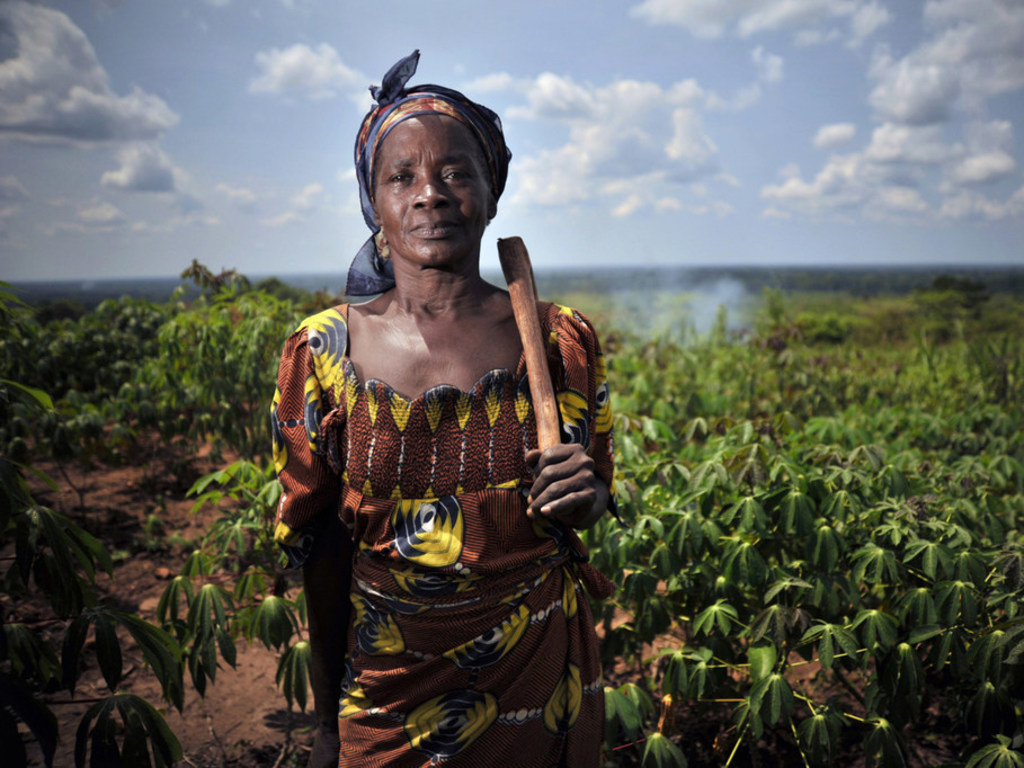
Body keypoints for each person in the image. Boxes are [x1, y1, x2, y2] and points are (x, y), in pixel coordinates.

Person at [270, 50, 617, 767]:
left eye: (457, 171)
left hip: (536, 683)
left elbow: (594, 492)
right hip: (388, 694)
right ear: (375, 204)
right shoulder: (323, 355)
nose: (431, 193)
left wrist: (588, 498)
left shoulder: (560, 344)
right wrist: (327, 720)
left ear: (492, 192)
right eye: (403, 176)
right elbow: (324, 552)